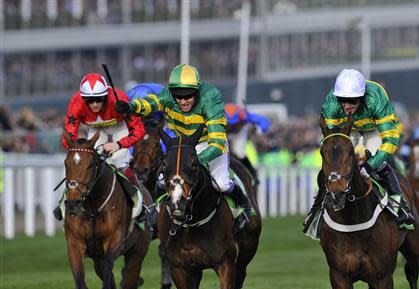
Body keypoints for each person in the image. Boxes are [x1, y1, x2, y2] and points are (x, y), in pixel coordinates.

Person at [115, 64, 252, 231]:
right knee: (160, 181)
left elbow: (217, 142)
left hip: (208, 143)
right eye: (178, 97)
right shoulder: (169, 94)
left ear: (197, 90)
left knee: (221, 184)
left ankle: (243, 206)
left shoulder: (211, 98)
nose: (182, 101)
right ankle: (155, 212)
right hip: (182, 144)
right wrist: (131, 107)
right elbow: (152, 103)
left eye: (188, 96)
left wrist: (195, 160)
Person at [304, 69, 415, 232]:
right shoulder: (331, 102)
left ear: (362, 97)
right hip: (348, 129)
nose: (347, 106)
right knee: (334, 163)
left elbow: (391, 139)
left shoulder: (375, 97)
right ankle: (317, 210)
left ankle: (400, 205)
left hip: (374, 128)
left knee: (378, 163)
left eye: (353, 101)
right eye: (343, 100)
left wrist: (369, 166)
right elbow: (331, 140)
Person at [52, 73, 146, 221]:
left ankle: (140, 202)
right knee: (83, 164)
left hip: (119, 127)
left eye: (98, 99)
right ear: (83, 99)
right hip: (96, 130)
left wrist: (119, 144)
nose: (95, 104)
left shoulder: (119, 99)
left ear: (106, 96)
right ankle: (64, 202)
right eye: (90, 101)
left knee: (119, 161)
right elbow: (69, 136)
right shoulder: (76, 102)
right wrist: (78, 151)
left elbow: (139, 130)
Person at [224, 103, 271, 185]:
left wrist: (260, 130)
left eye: (233, 123)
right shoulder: (218, 114)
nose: (231, 125)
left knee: (239, 153)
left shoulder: (245, 115)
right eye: (229, 123)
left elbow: (265, 121)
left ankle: (253, 174)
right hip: (222, 130)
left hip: (239, 132)